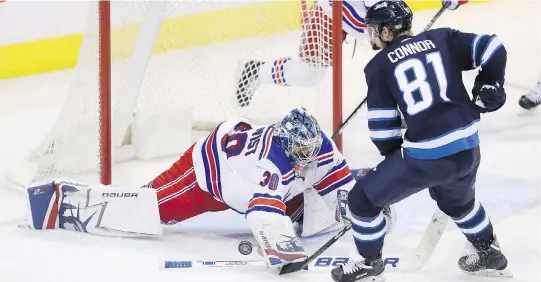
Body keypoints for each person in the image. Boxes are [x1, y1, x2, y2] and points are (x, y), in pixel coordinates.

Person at [24, 107, 361, 270]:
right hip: (204, 177)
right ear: (287, 145)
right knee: (147, 209)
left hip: (240, 174)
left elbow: (337, 175)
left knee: (306, 198)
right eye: (300, 154)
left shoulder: (312, 143)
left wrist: (363, 203)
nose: (308, 158)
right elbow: (263, 215)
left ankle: (299, 209)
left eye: (310, 151)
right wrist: (284, 253)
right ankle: (62, 203)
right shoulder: (269, 166)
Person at [330, 1, 509, 281]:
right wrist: (491, 83)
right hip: (468, 149)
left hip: (427, 159)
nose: (371, 36)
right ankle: (489, 252)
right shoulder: (443, 38)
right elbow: (493, 46)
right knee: (458, 203)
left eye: (374, 30)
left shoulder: (379, 66)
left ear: (387, 31)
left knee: (362, 200)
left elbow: (382, 133)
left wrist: (391, 165)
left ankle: (368, 262)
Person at [234, 0, 384, 107]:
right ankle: (256, 71)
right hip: (330, 12)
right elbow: (378, 12)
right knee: (311, 73)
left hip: (349, 15)